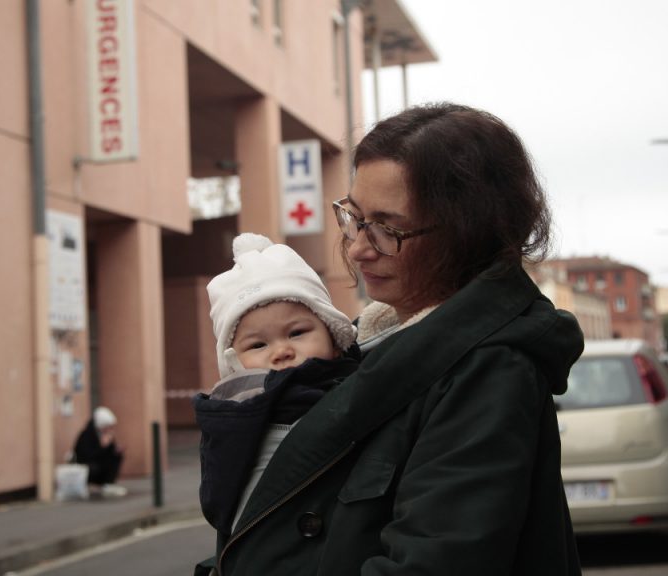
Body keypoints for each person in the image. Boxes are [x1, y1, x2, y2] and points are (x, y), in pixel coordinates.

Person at [195, 102, 585, 575]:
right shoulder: (367, 346)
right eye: (355, 218)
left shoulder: (488, 369)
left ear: (466, 232)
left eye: (386, 228)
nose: (359, 247)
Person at [193, 233, 359, 539]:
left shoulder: (359, 385)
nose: (281, 350)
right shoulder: (231, 416)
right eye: (258, 344)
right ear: (234, 362)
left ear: (334, 335)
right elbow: (218, 504)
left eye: (296, 333)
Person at [73, 406, 127, 498]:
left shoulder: (106, 435)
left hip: (100, 464)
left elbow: (109, 453)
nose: (109, 430)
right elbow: (87, 455)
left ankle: (109, 483)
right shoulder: (87, 435)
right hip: (88, 465)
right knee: (94, 467)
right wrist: (102, 447)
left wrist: (115, 450)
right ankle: (92, 484)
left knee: (117, 457)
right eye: (107, 427)